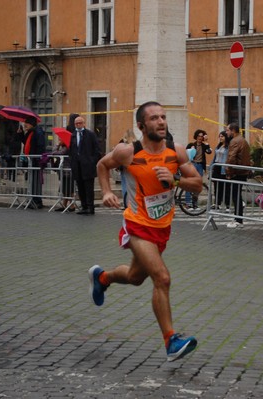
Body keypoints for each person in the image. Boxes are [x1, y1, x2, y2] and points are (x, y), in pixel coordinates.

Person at [88, 101, 202, 362]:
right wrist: (106, 191)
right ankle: (171, 340)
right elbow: (102, 165)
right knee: (161, 277)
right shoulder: (128, 152)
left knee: (135, 276)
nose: (161, 122)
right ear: (141, 126)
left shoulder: (177, 152)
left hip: (162, 228)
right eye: (154, 118)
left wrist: (175, 180)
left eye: (163, 117)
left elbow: (197, 185)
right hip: (137, 225)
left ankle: (102, 278)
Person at [69, 116, 101, 215]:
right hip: (77, 165)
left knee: (88, 188)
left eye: (80, 123)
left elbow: (97, 149)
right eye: (76, 123)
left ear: (84, 123)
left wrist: (92, 161)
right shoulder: (73, 135)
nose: (78, 125)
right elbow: (71, 150)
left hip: (88, 165)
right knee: (80, 187)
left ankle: (90, 207)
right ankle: (84, 206)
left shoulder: (90, 134)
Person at [225, 123, 251, 228]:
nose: (226, 132)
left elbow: (231, 158)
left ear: (233, 131)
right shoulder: (243, 140)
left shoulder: (235, 141)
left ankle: (238, 219)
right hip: (242, 171)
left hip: (237, 172)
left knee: (236, 195)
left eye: (227, 130)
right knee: (237, 195)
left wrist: (229, 172)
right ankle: (238, 217)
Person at [20, 116, 46, 209]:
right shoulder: (30, 132)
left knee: (36, 182)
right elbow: (25, 142)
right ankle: (32, 199)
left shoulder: (37, 132)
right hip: (30, 161)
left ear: (32, 124)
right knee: (31, 181)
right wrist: (20, 134)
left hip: (35, 162)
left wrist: (37, 159)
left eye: (26, 123)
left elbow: (40, 146)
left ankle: (37, 201)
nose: (24, 124)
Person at [184, 129, 212, 210]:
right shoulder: (191, 144)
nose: (200, 137)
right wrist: (190, 150)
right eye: (198, 136)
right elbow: (185, 154)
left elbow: (209, 151)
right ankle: (188, 203)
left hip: (200, 166)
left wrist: (207, 141)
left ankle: (195, 204)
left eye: (201, 136)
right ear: (196, 136)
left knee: (197, 185)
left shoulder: (204, 145)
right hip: (192, 164)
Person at [210, 130, 230, 211]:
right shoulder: (218, 146)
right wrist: (211, 167)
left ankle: (227, 204)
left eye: (222, 136)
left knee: (225, 187)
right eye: (220, 136)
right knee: (217, 187)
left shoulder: (228, 147)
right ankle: (217, 203)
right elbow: (214, 157)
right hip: (216, 167)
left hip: (223, 168)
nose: (221, 138)